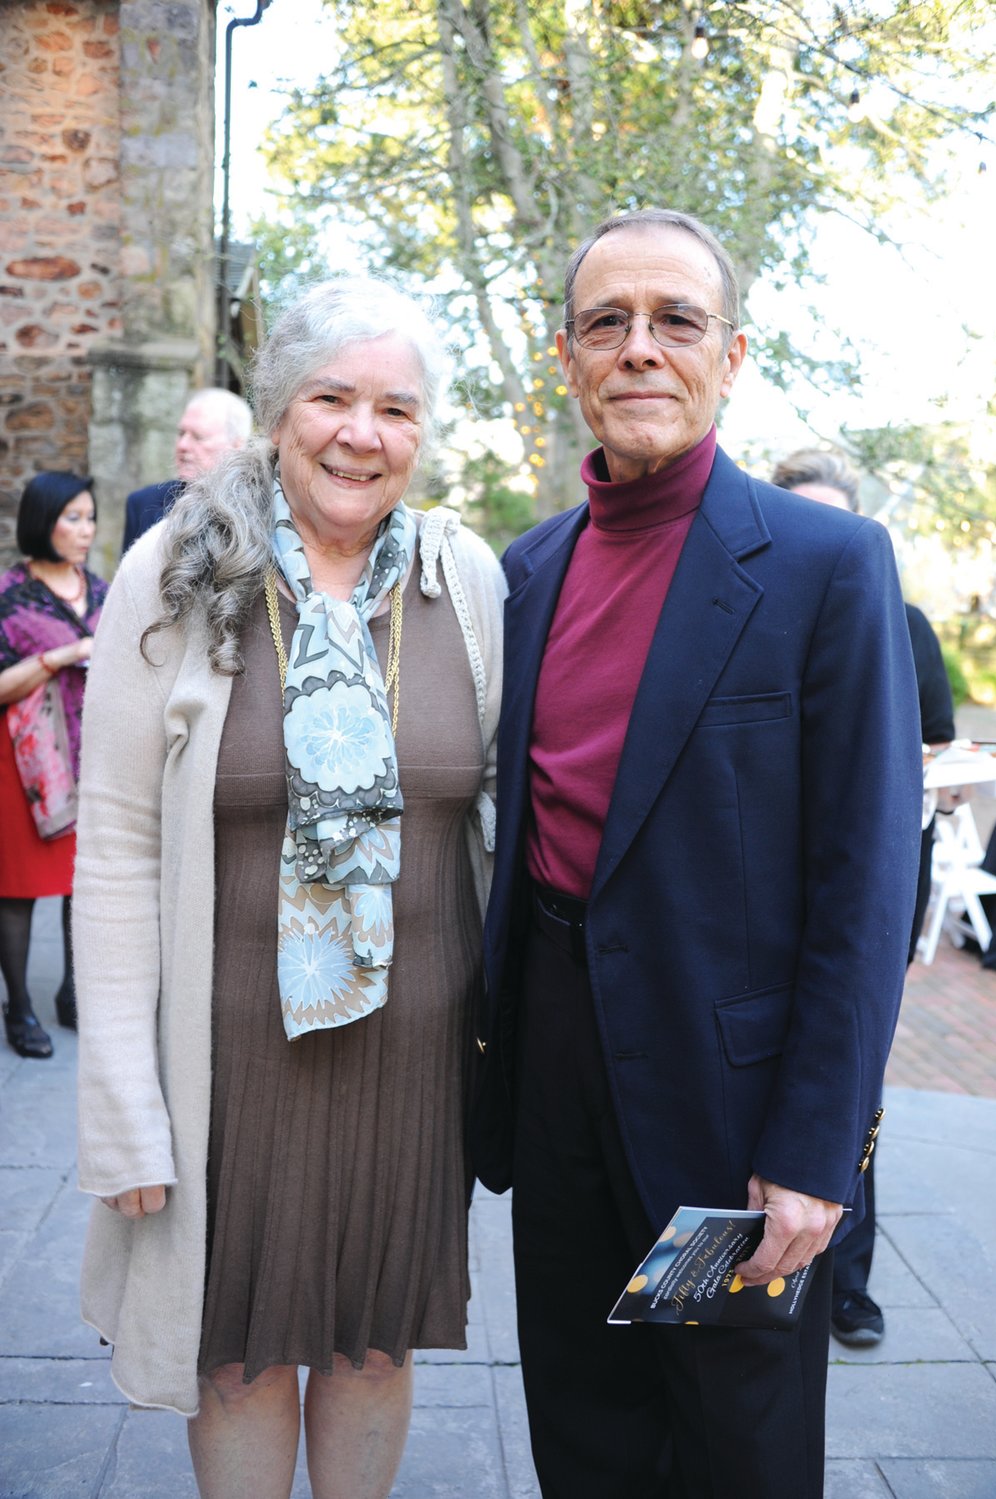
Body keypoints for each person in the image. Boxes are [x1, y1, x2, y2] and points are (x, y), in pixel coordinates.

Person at [472, 209, 923, 1499]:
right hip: (557, 1095)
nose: (640, 349)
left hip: (725, 1122)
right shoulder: (527, 570)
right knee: (586, 1416)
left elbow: (863, 881)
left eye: (675, 319)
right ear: (565, 356)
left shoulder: (826, 566)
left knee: (731, 1436)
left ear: (730, 352)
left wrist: (814, 1147)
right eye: (606, 323)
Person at [73, 276, 506, 1499]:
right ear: (277, 412)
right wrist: (119, 1094)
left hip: (414, 1057)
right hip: (228, 1057)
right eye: (331, 397)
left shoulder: (462, 581)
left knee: (373, 1339)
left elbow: (487, 821)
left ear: (422, 433)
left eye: (394, 407)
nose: (360, 433)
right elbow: (111, 841)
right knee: (241, 1350)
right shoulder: (176, 569)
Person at [772, 444, 955, 1348]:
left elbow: (929, 744)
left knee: (851, 1076)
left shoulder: (904, 619)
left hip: (870, 869)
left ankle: (849, 1279)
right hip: (767, 884)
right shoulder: (751, 606)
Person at [0, 473, 107, 1058]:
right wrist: (61, 655)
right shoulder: (10, 596)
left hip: (92, 757)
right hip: (27, 764)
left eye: (89, 517)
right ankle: (18, 1007)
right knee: (18, 891)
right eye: (72, 517)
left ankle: (74, 994)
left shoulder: (105, 590)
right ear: (43, 521)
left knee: (80, 883)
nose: (85, 529)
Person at [121, 387, 253, 552]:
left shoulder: (259, 511)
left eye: (198, 437)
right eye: (181, 433)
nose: (183, 445)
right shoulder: (142, 504)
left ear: (236, 446)